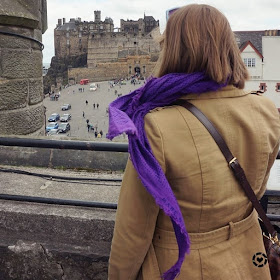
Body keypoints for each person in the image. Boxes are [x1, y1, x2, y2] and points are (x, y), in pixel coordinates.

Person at [107, 4, 280, 280]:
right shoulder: (267, 111)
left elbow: (133, 233)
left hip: (186, 267)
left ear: (175, 51)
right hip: (250, 262)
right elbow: (255, 191)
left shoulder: (155, 127)